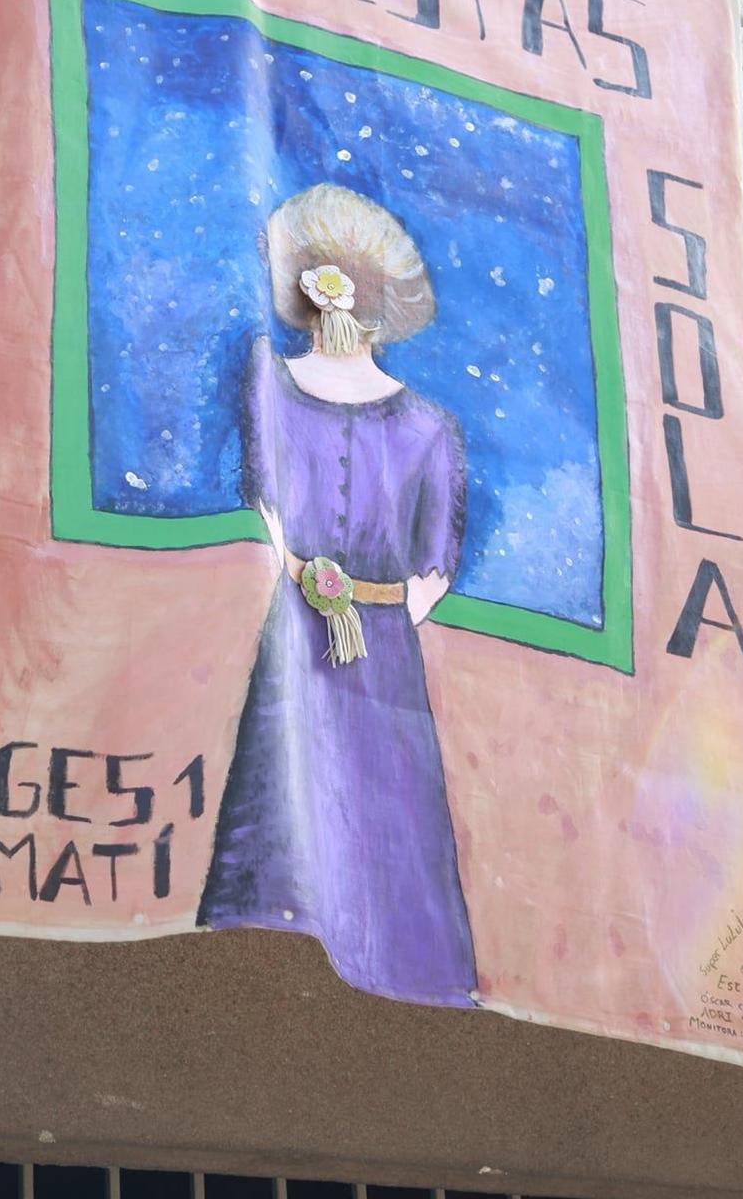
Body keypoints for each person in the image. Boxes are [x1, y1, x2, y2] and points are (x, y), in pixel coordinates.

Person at [198, 182, 477, 1006]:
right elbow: (427, 576)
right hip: (344, 648)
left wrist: (330, 587)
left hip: (358, 652)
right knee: (295, 807)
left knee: (364, 815)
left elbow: (424, 568)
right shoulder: (284, 388)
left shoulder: (427, 427)